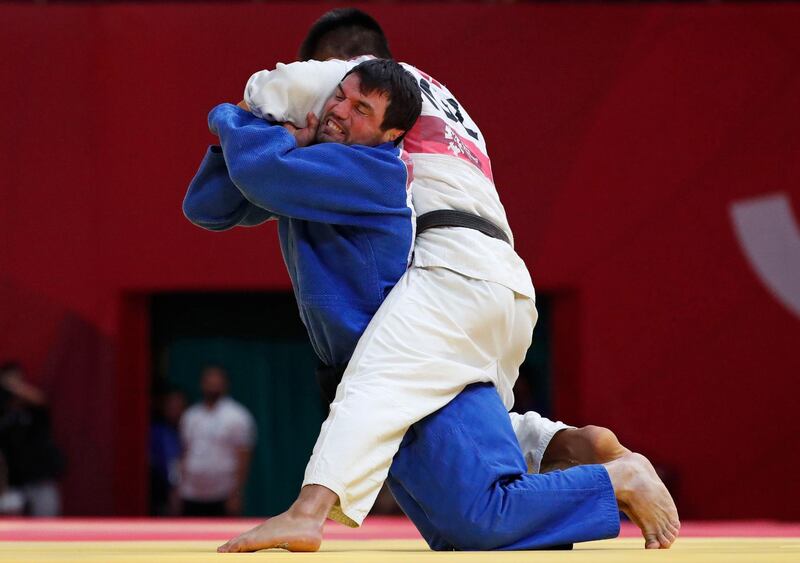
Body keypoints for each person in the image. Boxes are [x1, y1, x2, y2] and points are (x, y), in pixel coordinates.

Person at [218, 9, 679, 553]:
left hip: (452, 268)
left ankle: (307, 512)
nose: (334, 110)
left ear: (342, 65)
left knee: (376, 378)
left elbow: (265, 89)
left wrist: (243, 113)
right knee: (457, 415)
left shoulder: (342, 74)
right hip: (507, 281)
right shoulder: (452, 108)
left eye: (348, 99)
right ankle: (557, 445)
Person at [179, 365, 255, 516]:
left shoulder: (237, 416)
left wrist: (236, 494)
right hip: (191, 492)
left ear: (225, 385)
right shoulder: (190, 416)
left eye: (217, 382)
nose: (213, 386)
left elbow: (244, 457)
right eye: (209, 382)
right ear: (202, 384)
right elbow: (184, 452)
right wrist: (178, 489)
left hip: (223, 493)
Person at [0, 361, 64, 517]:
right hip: (11, 481)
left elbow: (40, 400)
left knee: (47, 524)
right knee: (11, 522)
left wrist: (14, 387)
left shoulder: (34, 409)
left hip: (39, 476)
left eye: (16, 380)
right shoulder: (3, 411)